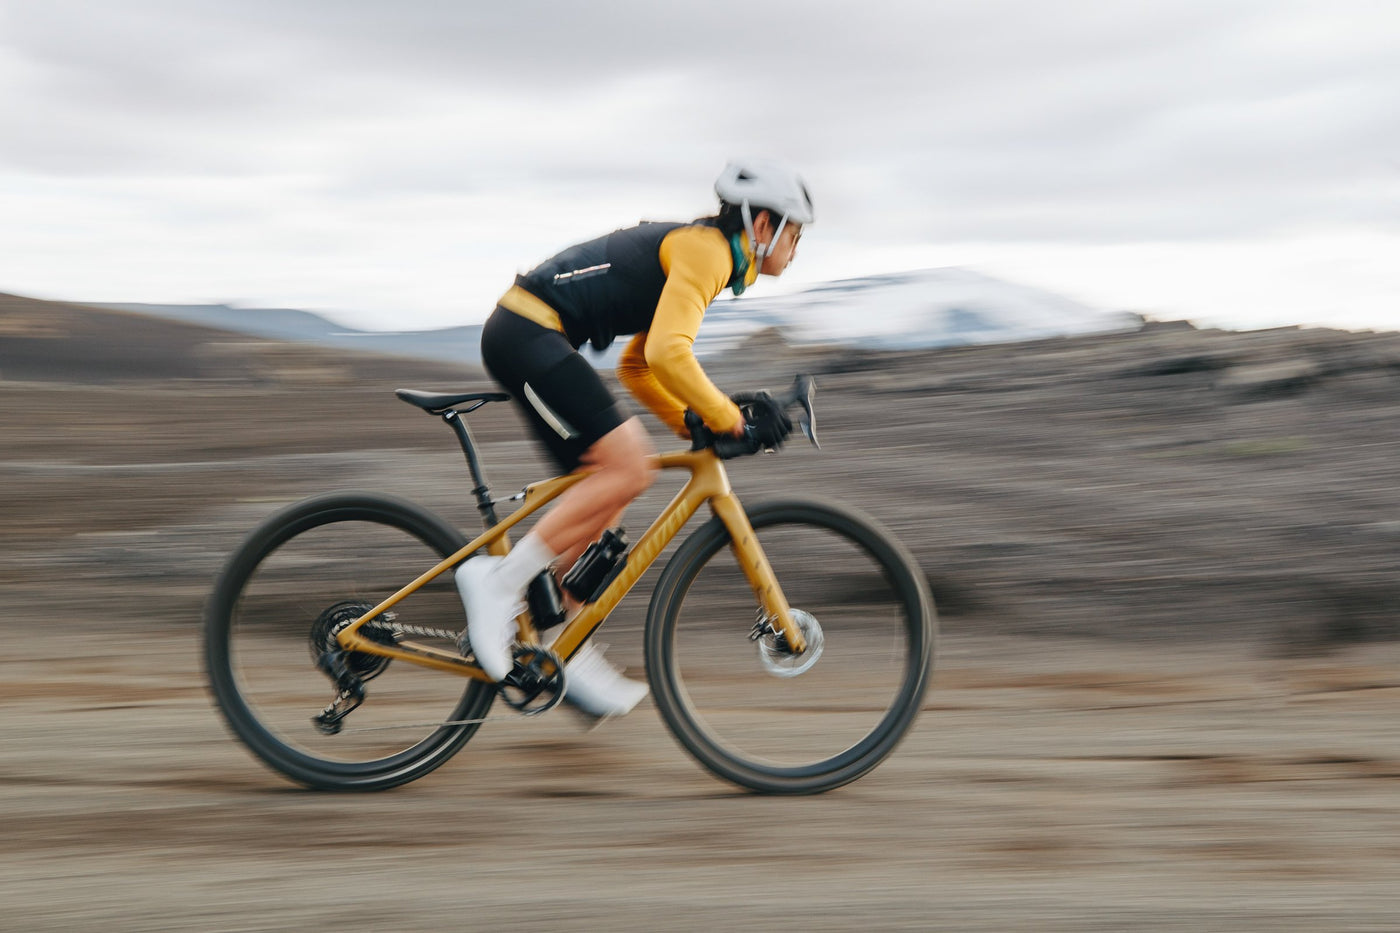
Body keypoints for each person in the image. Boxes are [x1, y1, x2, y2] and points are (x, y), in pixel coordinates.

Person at [458, 158, 814, 717]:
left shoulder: (704, 252)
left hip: (534, 334)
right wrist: (729, 419)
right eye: (795, 233)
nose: (797, 248)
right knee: (631, 468)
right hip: (528, 332)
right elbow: (666, 354)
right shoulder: (710, 253)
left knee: (609, 498)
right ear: (763, 226)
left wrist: (690, 422)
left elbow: (637, 367)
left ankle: (558, 645)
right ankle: (497, 587)